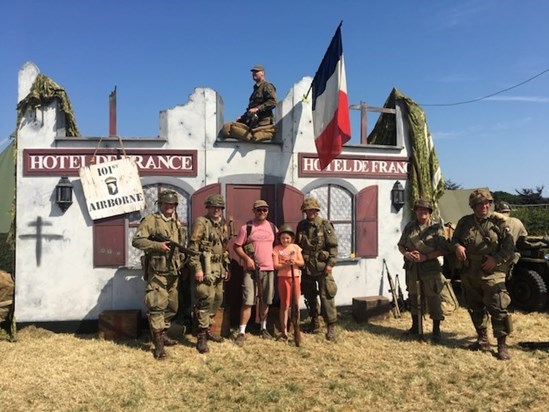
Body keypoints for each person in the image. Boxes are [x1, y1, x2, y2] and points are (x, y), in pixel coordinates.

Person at [452, 189, 515, 360]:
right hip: (469, 271)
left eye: (487, 203)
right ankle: (482, 338)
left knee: (498, 307)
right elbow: (455, 239)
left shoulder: (499, 223)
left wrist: (496, 259)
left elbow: (509, 247)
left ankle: (502, 345)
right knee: (474, 306)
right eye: (480, 203)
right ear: (473, 206)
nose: (484, 206)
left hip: (492, 272)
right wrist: (457, 246)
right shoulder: (465, 222)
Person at [132, 190, 187, 360]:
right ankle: (158, 345)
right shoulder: (151, 220)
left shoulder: (176, 223)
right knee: (157, 306)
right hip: (157, 272)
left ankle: (161, 333)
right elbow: (137, 241)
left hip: (173, 272)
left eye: (173, 205)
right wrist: (157, 246)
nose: (170, 207)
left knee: (172, 307)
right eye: (167, 204)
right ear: (160, 204)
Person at [397, 199, 451, 343]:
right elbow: (401, 245)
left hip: (430, 269)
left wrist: (425, 256)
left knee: (434, 299)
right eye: (420, 209)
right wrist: (406, 254)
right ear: (415, 211)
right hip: (412, 268)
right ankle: (415, 327)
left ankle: (436, 331)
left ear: (429, 212)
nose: (422, 212)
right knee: (414, 297)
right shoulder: (410, 227)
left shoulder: (436, 228)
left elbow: (443, 250)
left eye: (425, 210)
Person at [187, 194, 230, 354]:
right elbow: (193, 248)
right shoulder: (201, 223)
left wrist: (226, 267)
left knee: (217, 299)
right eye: (214, 207)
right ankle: (201, 337)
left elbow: (224, 248)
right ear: (208, 208)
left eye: (219, 208)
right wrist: (197, 268)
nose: (216, 210)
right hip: (206, 267)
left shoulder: (222, 224)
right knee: (206, 299)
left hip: (219, 267)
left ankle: (208, 329)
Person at [233, 199, 277, 346]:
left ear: (268, 211)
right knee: (248, 301)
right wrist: (247, 259)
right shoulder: (247, 228)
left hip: (268, 269)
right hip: (251, 271)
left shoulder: (272, 227)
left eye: (265, 210)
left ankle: (263, 328)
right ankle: (241, 332)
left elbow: (278, 246)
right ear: (254, 211)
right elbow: (237, 247)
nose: (262, 212)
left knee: (266, 300)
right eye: (259, 210)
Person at [295, 196, 339, 341]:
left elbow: (333, 247)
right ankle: (315, 321)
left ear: (317, 210)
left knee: (326, 296)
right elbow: (297, 246)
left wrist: (330, 264)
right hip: (307, 267)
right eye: (307, 210)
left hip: (322, 267)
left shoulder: (325, 225)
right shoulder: (301, 226)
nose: (310, 213)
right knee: (309, 296)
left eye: (313, 210)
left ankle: (330, 326)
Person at [272, 224, 305, 341]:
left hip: (295, 277)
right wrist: (285, 264)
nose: (285, 240)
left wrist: (294, 261)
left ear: (291, 238)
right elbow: (275, 265)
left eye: (287, 238)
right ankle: (284, 331)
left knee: (295, 304)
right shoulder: (276, 249)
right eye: (282, 238)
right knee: (284, 305)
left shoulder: (295, 248)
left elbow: (302, 263)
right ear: (279, 238)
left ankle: (297, 329)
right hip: (283, 278)